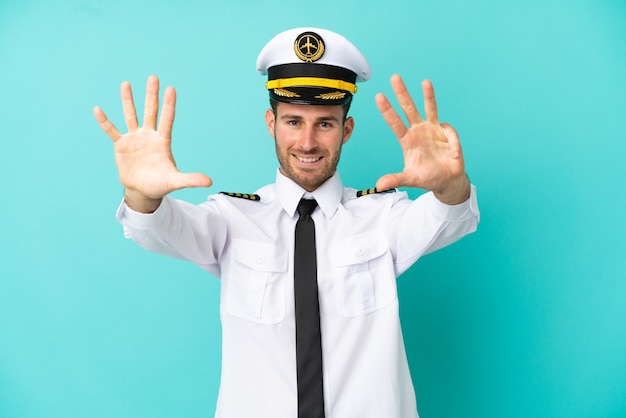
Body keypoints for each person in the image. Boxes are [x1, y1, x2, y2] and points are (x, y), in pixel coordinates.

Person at [94, 27, 479, 418]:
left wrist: (450, 185)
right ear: (270, 123)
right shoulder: (231, 218)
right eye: (293, 121)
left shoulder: (381, 216)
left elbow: (449, 216)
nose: (308, 142)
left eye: (325, 124)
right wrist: (143, 194)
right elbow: (155, 227)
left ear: (346, 130)